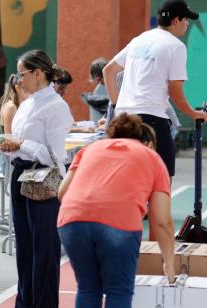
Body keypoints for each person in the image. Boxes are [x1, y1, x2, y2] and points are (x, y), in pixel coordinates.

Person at [57, 113, 174, 308]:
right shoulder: (152, 157)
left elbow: (62, 192)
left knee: (88, 288)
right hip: (119, 223)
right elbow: (162, 220)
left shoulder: (90, 149)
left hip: (72, 220)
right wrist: (169, 262)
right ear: (147, 142)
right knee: (118, 290)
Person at [0, 49, 73, 308]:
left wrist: (21, 145)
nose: (19, 80)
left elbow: (54, 156)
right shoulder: (27, 103)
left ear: (38, 73)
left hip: (43, 177)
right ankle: (25, 302)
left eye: (23, 74)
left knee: (44, 250)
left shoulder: (56, 107)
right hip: (21, 173)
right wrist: (12, 147)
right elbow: (21, 143)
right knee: (25, 248)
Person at [103, 0, 207, 177]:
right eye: (186, 20)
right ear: (175, 21)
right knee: (161, 180)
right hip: (150, 121)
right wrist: (194, 113)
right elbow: (175, 91)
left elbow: (108, 70)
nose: (187, 24)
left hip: (123, 119)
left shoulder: (139, 39)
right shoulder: (176, 47)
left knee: (127, 178)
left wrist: (115, 105)